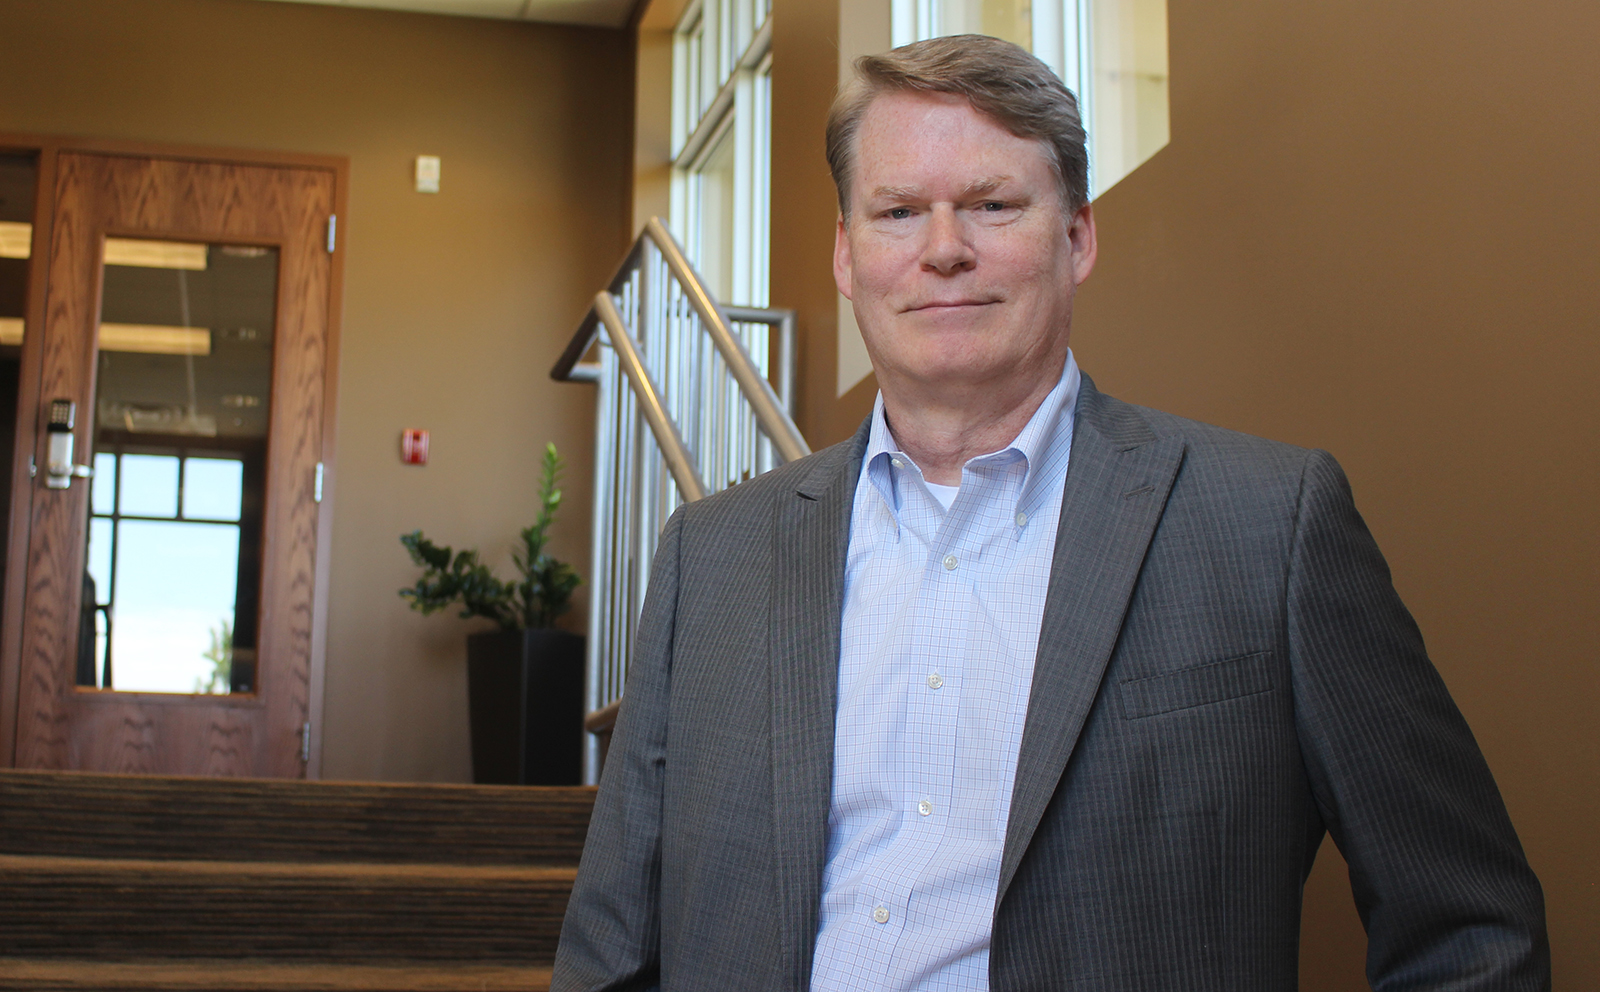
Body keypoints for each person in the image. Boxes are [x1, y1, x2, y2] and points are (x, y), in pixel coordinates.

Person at [552, 34, 1548, 992]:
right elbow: (612, 946)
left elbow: (1467, 927)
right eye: (898, 212)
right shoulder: (711, 555)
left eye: (992, 203)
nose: (944, 249)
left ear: (1075, 238)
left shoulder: (1271, 527)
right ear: (847, 258)